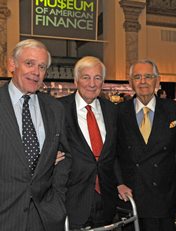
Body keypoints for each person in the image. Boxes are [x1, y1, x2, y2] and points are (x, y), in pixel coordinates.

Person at [0, 39, 71, 231]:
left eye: (42, 67)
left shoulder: (55, 109)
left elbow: (65, 157)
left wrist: (57, 199)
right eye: (29, 63)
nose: (36, 72)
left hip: (44, 217)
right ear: (12, 64)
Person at [116, 59, 176, 231]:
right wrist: (119, 183)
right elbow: (112, 154)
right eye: (137, 77)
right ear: (130, 82)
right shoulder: (119, 112)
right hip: (130, 195)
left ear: (158, 80)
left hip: (163, 195)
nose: (143, 81)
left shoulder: (174, 109)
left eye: (148, 76)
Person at [59, 56, 118, 230]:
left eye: (97, 78)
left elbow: (115, 153)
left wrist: (120, 182)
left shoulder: (112, 110)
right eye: (86, 77)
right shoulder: (58, 109)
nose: (92, 84)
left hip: (107, 199)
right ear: (76, 80)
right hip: (72, 198)